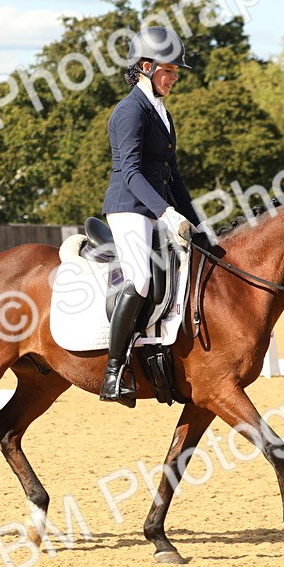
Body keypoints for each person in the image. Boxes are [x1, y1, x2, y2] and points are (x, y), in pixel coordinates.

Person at [98, 26, 201, 405]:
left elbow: (173, 176)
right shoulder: (129, 111)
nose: (174, 78)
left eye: (176, 72)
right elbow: (131, 172)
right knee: (141, 278)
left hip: (158, 210)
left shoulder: (162, 112)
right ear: (146, 67)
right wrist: (167, 213)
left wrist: (199, 225)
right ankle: (113, 371)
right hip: (129, 208)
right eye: (169, 71)